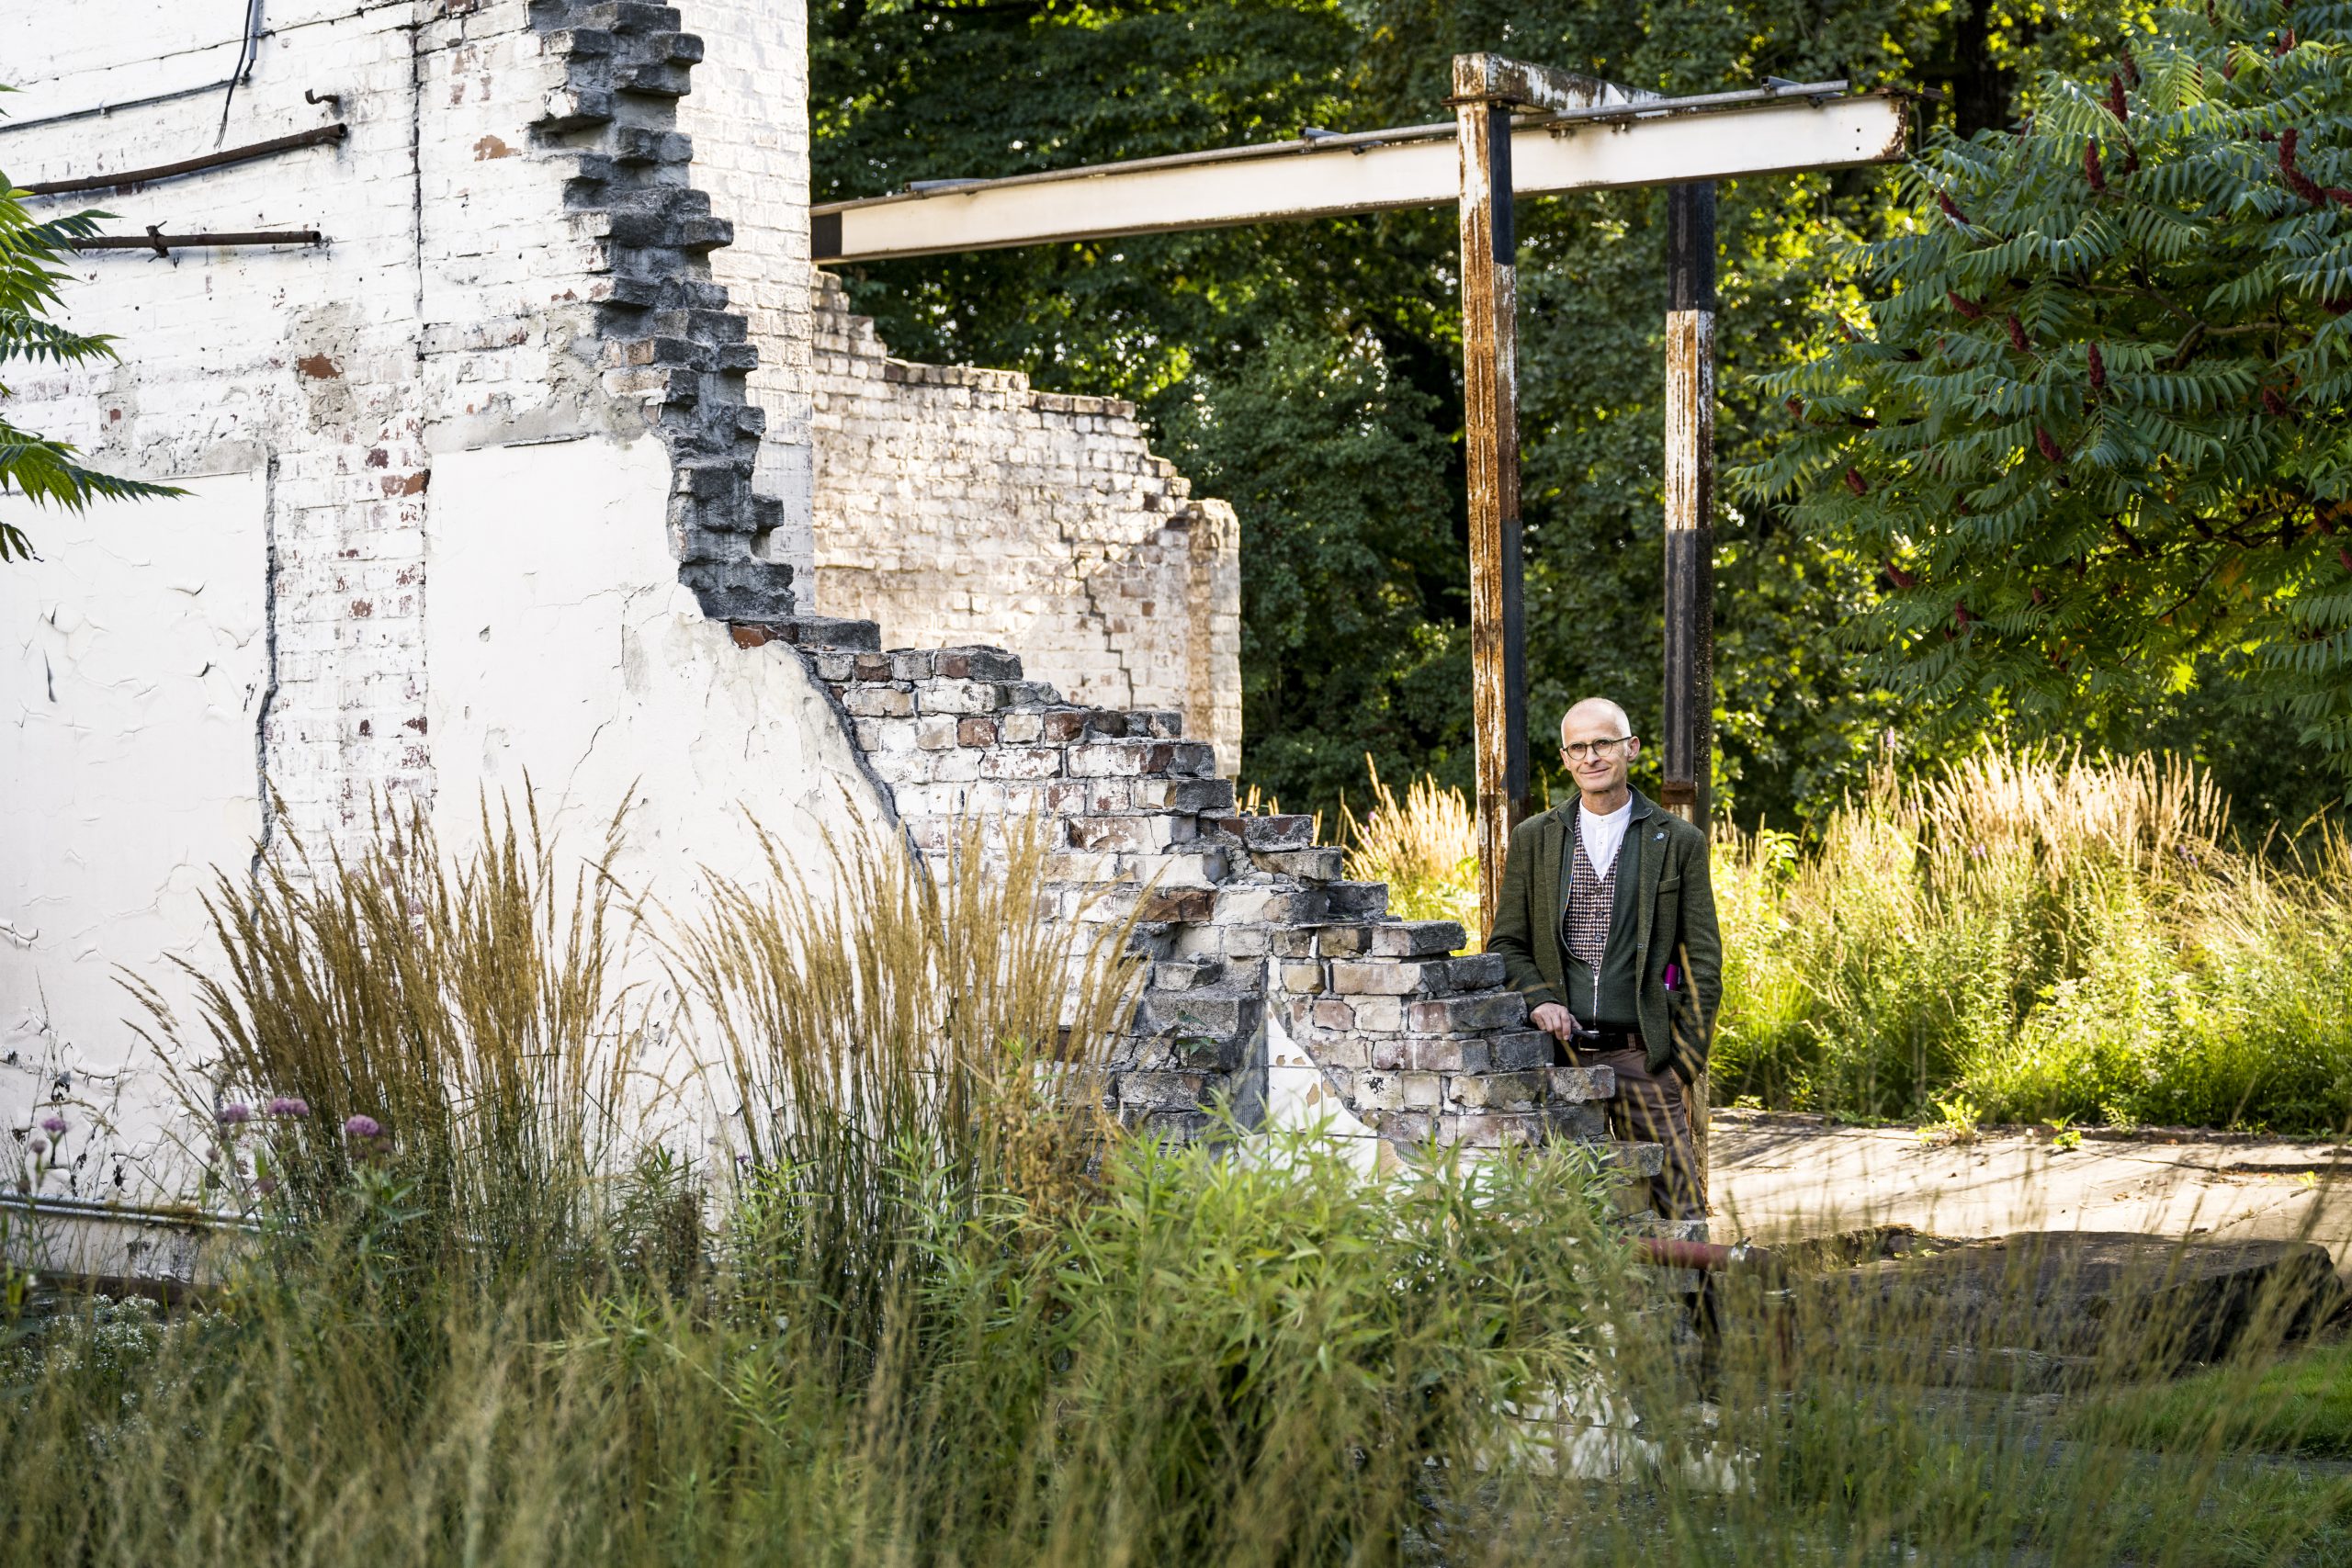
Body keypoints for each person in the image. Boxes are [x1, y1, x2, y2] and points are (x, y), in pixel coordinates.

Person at [1487, 697, 1721, 1222]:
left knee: (1678, 1207)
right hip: (1558, 1058)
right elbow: (1506, 944)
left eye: (1603, 743)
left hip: (1643, 1057)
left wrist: (1680, 1063)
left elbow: (1702, 961)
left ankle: (1701, 1307)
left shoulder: (1677, 840)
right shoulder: (1535, 839)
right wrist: (1539, 1000)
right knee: (1562, 1207)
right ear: (1566, 759)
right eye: (1578, 747)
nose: (1591, 756)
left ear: (1630, 749)